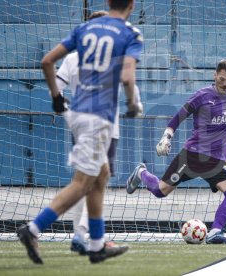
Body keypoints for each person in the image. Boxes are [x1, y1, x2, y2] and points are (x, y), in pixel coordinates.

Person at [17, 0, 143, 264]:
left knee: (101, 175)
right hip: (99, 118)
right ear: (131, 5)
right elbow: (128, 77)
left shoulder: (84, 29)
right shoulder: (130, 34)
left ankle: (97, 246)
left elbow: (47, 61)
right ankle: (33, 229)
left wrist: (55, 97)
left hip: (78, 113)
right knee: (82, 183)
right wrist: (133, 104)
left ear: (108, 3)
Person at [126, 60, 226, 244]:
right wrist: (166, 137)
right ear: (215, 75)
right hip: (192, 156)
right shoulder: (202, 96)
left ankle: (215, 232)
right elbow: (180, 116)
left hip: (216, 161)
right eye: (222, 79)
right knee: (160, 191)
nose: (225, 83)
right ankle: (141, 172)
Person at [53, 10, 143, 255]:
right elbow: (130, 85)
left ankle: (83, 237)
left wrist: (68, 112)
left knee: (83, 181)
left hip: (80, 123)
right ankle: (84, 236)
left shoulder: (72, 58)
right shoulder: (112, 57)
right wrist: (135, 104)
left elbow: (57, 87)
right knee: (94, 182)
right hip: (105, 126)